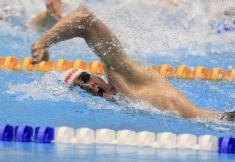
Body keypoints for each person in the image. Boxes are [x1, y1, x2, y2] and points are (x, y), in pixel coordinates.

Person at [31, 5, 234, 122]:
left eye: (84, 77)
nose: (88, 85)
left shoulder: (122, 76)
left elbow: (84, 18)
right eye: (81, 88)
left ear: (96, 76)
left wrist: (43, 42)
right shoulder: (119, 103)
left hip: (221, 120)